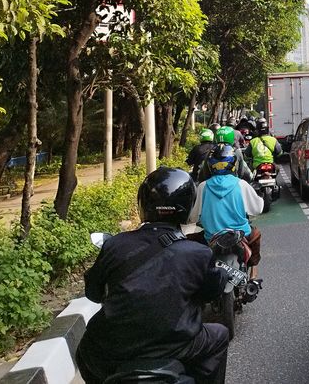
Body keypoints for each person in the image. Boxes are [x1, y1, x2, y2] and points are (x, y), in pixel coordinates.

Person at [76, 167, 230, 384]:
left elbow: (93, 293)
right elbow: (211, 292)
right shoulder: (199, 253)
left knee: (84, 350)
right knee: (220, 335)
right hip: (178, 347)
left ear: (143, 204)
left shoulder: (114, 245)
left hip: (111, 348)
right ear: (187, 206)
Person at [192, 144, 264, 278]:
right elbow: (257, 209)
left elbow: (193, 217)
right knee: (256, 234)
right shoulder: (241, 184)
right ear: (233, 164)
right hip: (240, 235)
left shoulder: (203, 187)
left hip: (211, 238)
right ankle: (253, 274)